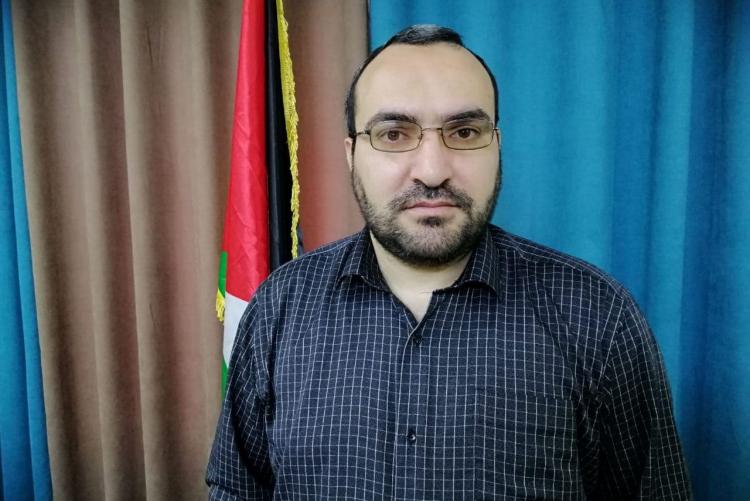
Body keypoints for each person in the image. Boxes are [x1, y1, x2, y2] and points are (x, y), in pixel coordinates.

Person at [206, 24, 691, 500]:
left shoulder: (599, 317)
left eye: (464, 131)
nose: (433, 170)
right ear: (352, 155)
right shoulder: (280, 305)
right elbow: (236, 489)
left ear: (497, 146)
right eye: (393, 133)